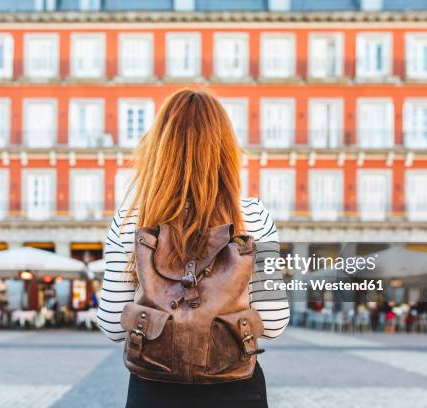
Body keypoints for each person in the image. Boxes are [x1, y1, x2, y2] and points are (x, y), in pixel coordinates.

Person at [96, 89, 290, 408]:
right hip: (235, 388)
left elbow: (112, 325)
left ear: (159, 148)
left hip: (155, 390)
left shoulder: (131, 219)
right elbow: (274, 321)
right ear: (226, 150)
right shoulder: (254, 217)